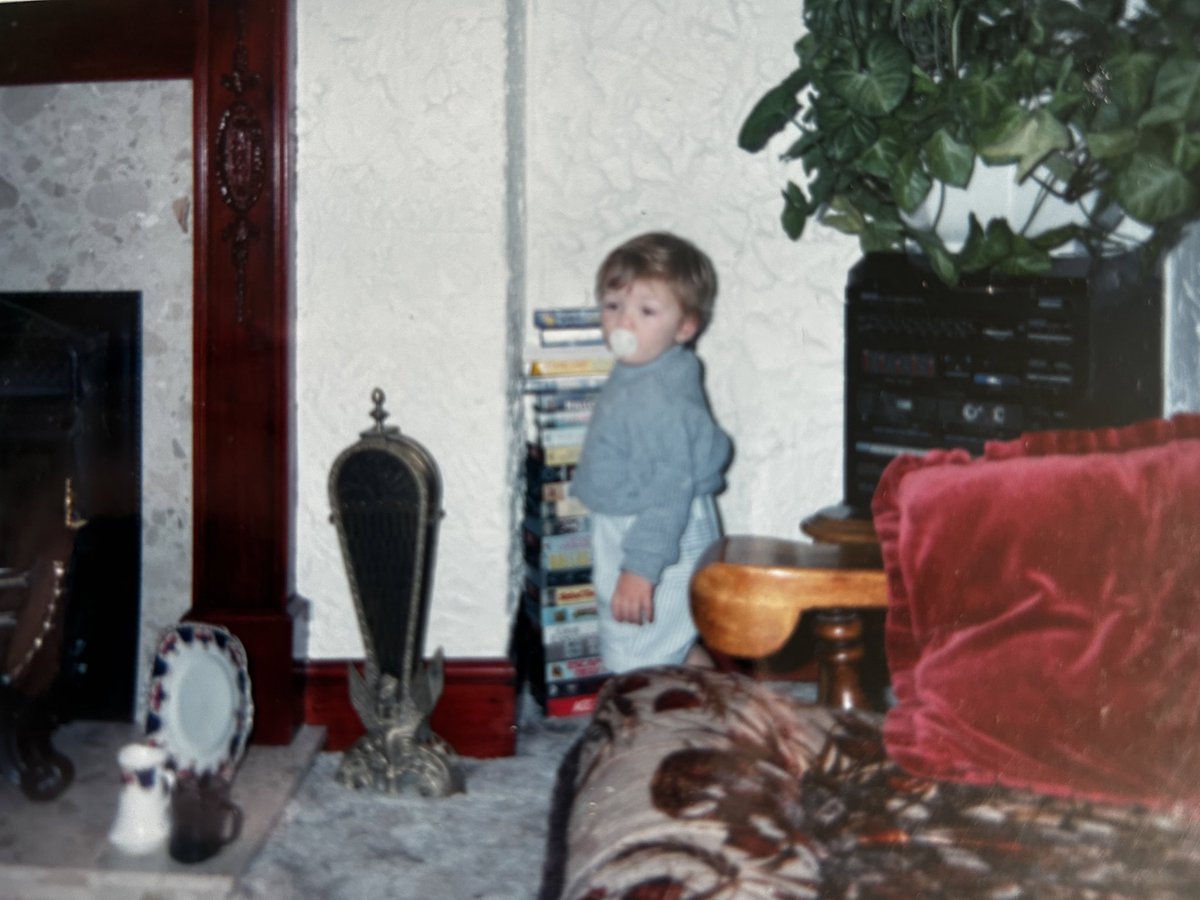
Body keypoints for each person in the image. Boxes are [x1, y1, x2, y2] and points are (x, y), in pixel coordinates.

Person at [572, 231, 732, 673]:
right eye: (613, 306)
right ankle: (711, 705)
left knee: (639, 650)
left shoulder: (656, 398)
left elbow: (669, 491)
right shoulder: (652, 370)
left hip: (655, 531)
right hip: (644, 522)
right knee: (667, 642)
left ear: (685, 326)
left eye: (646, 310)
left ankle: (660, 730)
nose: (624, 323)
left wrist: (641, 569)